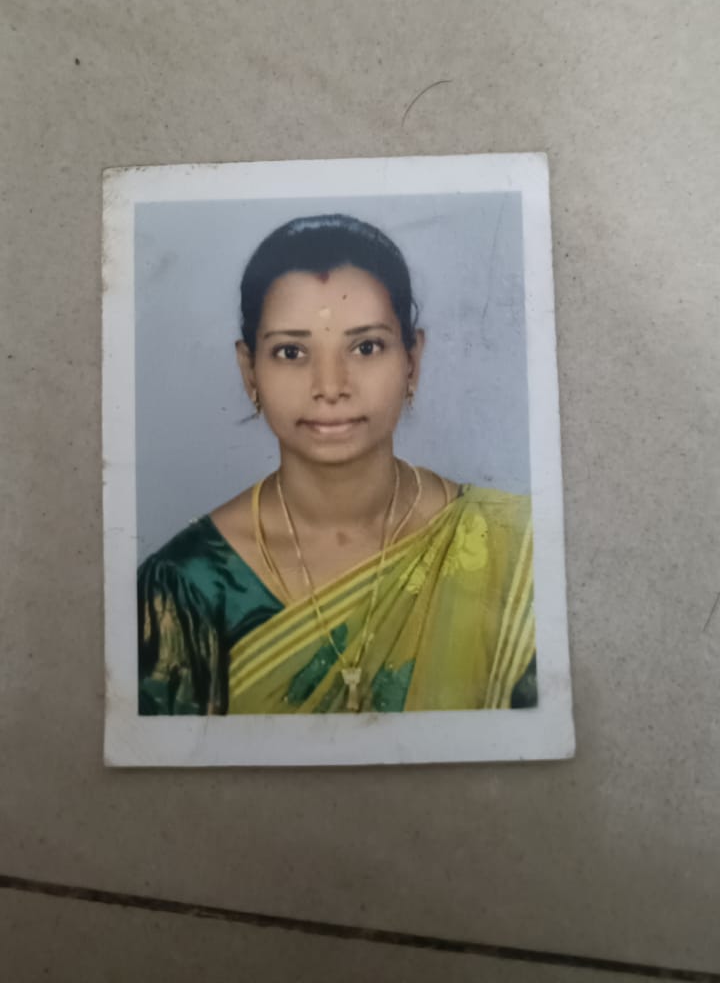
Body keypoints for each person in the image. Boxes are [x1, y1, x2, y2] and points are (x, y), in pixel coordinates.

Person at [137, 214, 536, 716]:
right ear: (249, 370)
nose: (330, 387)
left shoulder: (514, 548)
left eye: (366, 347)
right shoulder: (185, 585)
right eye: (291, 352)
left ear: (412, 361)